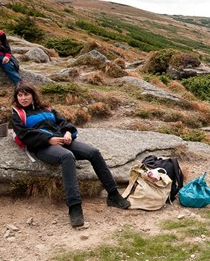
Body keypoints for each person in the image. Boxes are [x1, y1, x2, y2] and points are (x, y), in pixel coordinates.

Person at [11, 81, 130, 227]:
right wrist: (49, 140)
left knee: (93, 152)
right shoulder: (18, 114)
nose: (23, 98)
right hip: (43, 147)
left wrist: (67, 133)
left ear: (33, 95)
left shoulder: (47, 109)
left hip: (62, 140)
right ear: (16, 98)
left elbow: (63, 123)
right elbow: (24, 135)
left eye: (26, 94)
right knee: (67, 156)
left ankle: (113, 195)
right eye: (20, 95)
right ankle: (74, 207)